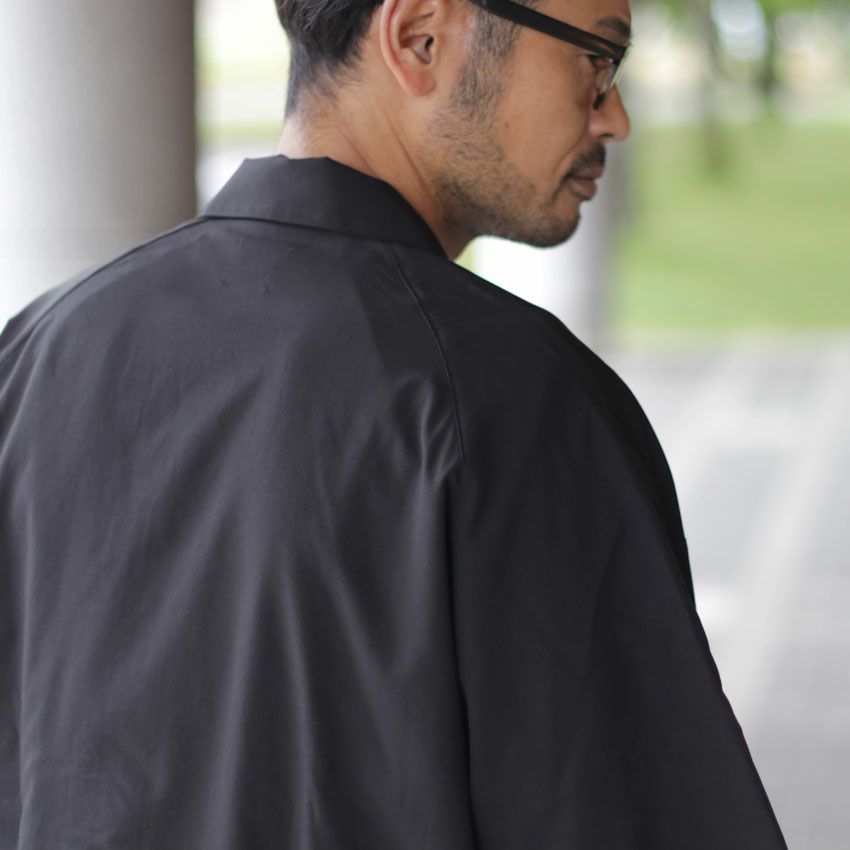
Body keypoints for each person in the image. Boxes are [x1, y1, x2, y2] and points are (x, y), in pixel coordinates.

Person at [0, 0, 788, 846]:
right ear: (420, 38)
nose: (614, 116)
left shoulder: (41, 352)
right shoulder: (514, 399)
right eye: (597, 58)